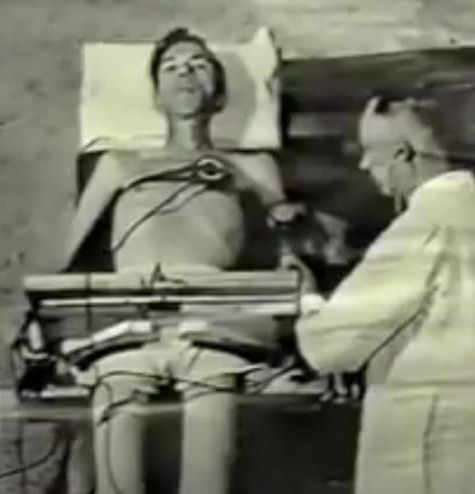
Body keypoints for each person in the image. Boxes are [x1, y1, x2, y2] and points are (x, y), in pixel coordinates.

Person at [61, 27, 304, 494]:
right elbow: (70, 252)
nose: (185, 73)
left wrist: (290, 238)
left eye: (198, 65)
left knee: (209, 473)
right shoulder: (120, 163)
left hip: (213, 318)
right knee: (116, 469)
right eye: (171, 67)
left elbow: (288, 233)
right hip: (128, 314)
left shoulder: (252, 164)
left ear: (220, 94)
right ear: (157, 96)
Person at [295, 95, 475, 494]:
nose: (363, 165)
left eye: (369, 151)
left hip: (430, 424)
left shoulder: (427, 219)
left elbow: (333, 344)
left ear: (402, 154)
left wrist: (308, 301)